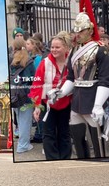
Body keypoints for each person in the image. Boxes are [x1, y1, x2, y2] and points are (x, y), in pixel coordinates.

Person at [50, 0, 109, 159]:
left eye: (80, 31)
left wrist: (99, 104)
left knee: (97, 142)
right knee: (77, 139)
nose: (76, 34)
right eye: (75, 30)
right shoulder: (74, 51)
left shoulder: (100, 50)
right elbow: (72, 77)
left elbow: (106, 80)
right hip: (77, 100)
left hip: (92, 99)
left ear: (89, 30)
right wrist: (61, 92)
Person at [29, 31, 73, 160]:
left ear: (65, 47)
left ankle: (65, 159)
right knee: (48, 134)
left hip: (67, 103)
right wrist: (37, 106)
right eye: (52, 47)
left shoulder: (72, 61)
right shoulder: (45, 62)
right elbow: (37, 84)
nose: (53, 50)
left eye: (57, 47)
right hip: (47, 104)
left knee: (65, 133)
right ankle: (52, 160)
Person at [10, 37, 36, 153]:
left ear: (14, 47)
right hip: (26, 94)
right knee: (25, 121)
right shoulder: (29, 60)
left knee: (20, 121)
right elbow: (34, 78)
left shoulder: (11, 60)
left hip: (15, 94)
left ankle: (22, 143)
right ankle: (23, 145)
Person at [26, 36, 45, 143]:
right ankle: (39, 132)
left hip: (36, 87)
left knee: (39, 110)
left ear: (33, 45)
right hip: (32, 87)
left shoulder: (37, 58)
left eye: (28, 44)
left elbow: (37, 75)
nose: (26, 45)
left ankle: (40, 133)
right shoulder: (30, 56)